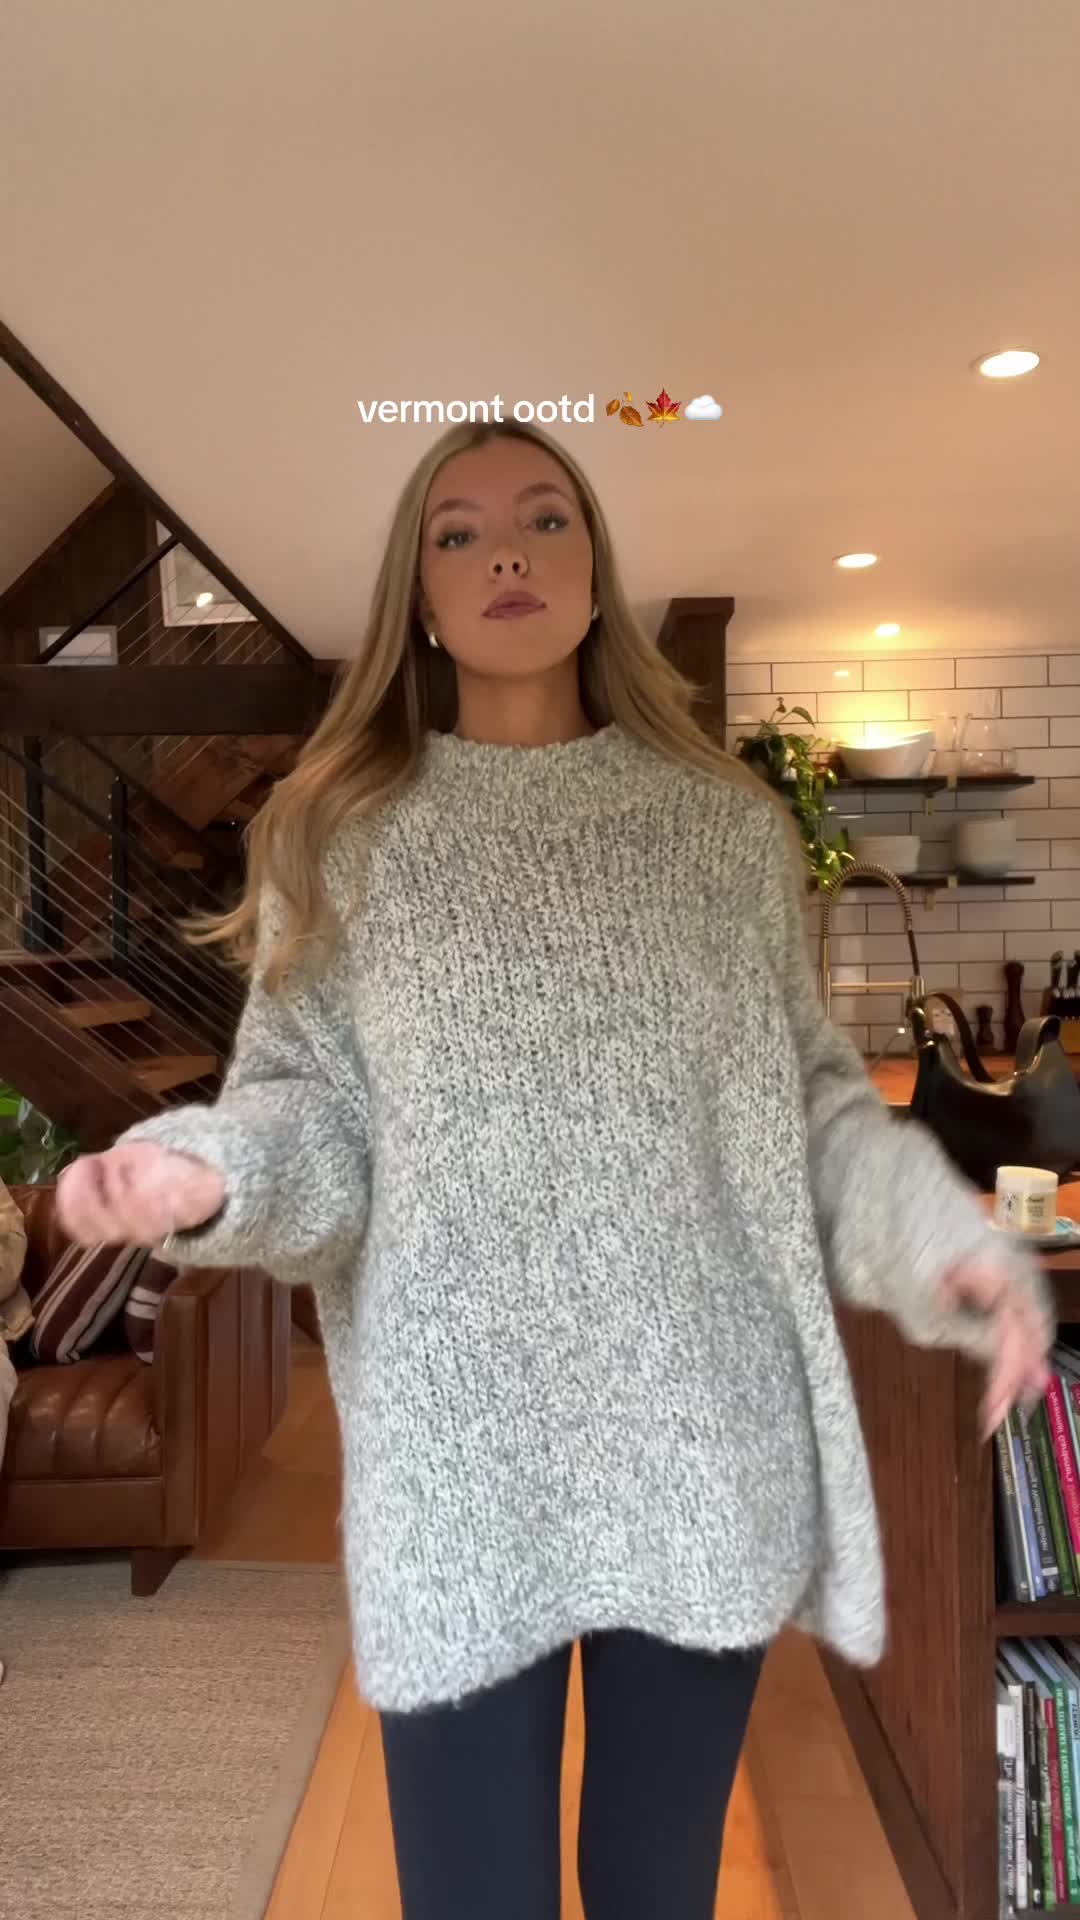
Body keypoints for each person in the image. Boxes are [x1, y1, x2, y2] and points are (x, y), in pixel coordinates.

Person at [56, 419, 1053, 1919]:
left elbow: (806, 1109)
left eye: (545, 519)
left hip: (697, 1442)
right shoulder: (342, 835)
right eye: (456, 533)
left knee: (658, 1887)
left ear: (596, 574)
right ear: (420, 599)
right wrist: (208, 1170)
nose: (504, 553)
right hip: (459, 1462)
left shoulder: (721, 832)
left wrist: (939, 1234)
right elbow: (307, 1113)